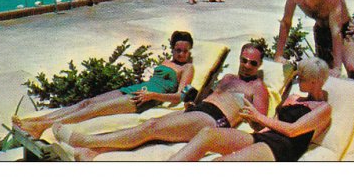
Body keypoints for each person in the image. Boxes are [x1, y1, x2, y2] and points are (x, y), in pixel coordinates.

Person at [53, 43, 270, 161]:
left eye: (253, 63)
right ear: (239, 58)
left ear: (259, 65)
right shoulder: (229, 77)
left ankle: (84, 141)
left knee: (151, 127)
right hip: (199, 110)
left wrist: (249, 114)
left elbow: (260, 124)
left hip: (215, 119)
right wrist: (191, 103)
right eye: (244, 60)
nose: (247, 65)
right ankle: (94, 154)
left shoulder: (257, 87)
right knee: (151, 132)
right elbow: (207, 94)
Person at [13, 31, 195, 139]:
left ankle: (41, 128)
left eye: (185, 51)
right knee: (87, 103)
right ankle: (39, 120)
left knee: (93, 110)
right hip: (136, 89)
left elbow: (180, 96)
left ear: (189, 51)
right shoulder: (166, 61)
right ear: (172, 49)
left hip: (142, 98)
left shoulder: (187, 68)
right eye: (178, 50)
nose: (181, 54)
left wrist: (152, 96)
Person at [170, 57, 332, 162]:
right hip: (265, 138)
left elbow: (293, 130)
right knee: (208, 134)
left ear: (315, 81)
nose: (297, 79)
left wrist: (258, 116)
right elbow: (272, 123)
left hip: (281, 148)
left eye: (302, 78)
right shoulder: (294, 98)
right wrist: (253, 125)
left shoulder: (323, 108)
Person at [277, 0, 354, 79]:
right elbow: (286, 22)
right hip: (322, 31)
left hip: (344, 30)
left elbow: (336, 32)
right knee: (323, 76)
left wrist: (337, 67)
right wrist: (278, 55)